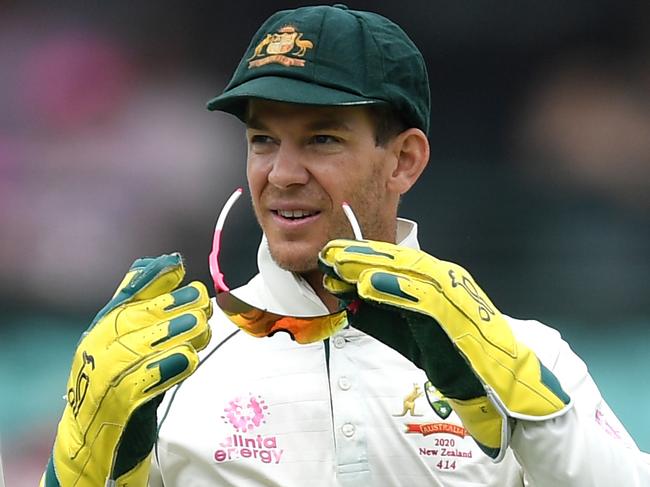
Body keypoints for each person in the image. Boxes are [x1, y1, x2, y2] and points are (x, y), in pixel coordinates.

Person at [41, 5, 649, 486]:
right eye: (262, 140)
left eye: (322, 139)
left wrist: (535, 411)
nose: (280, 173)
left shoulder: (528, 354)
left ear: (404, 161)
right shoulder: (169, 363)